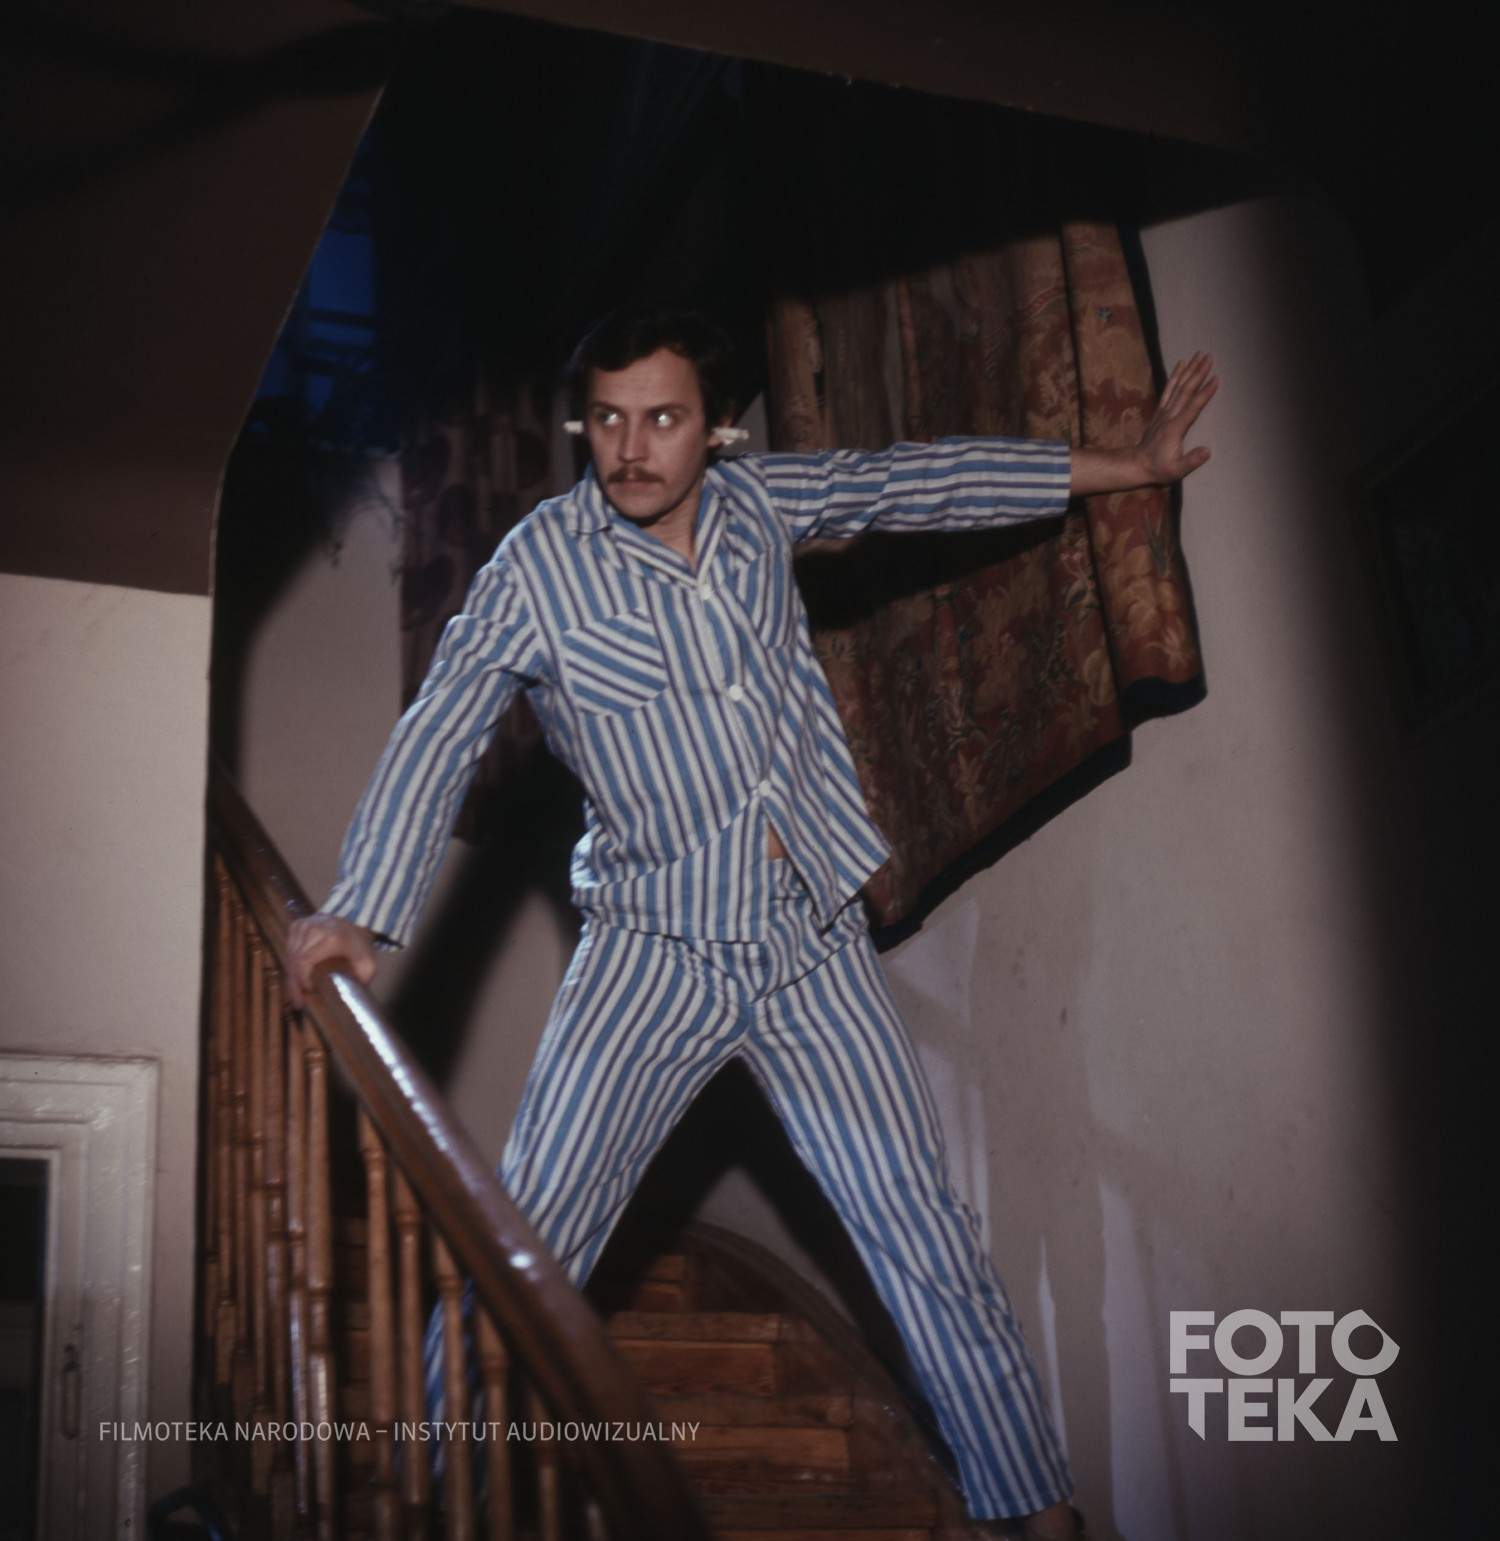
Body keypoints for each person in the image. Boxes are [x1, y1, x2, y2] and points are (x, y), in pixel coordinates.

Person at [286, 307, 1217, 1539]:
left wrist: (1131, 466)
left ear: (717, 427)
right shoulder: (538, 568)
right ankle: (423, 1504)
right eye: (607, 419)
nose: (630, 449)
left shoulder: (759, 506)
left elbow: (919, 482)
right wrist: (361, 909)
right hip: (650, 952)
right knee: (526, 1247)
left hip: (807, 939)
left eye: (662, 419)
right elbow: (441, 728)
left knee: (922, 1231)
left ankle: (1042, 1513)